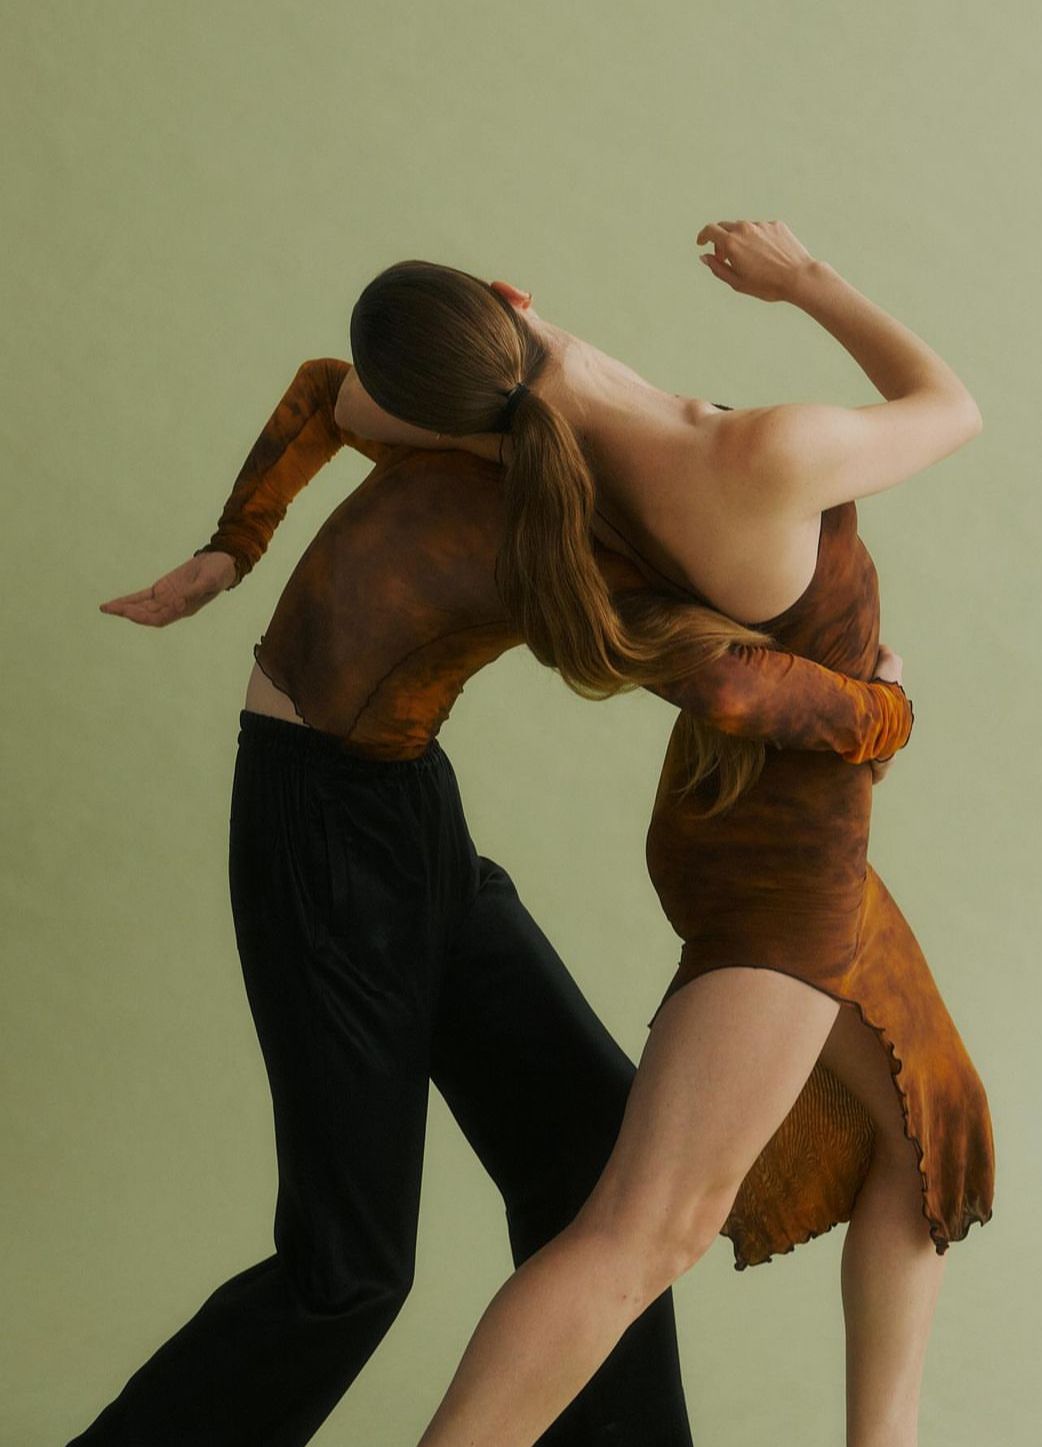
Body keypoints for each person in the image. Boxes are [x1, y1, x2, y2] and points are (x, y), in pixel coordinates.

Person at [71, 342, 912, 1446]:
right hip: (319, 835)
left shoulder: (538, 464)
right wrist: (885, 713)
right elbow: (724, 683)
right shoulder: (542, 520)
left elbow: (326, 388)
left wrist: (234, 549)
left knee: (588, 1151)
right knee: (347, 1269)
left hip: (407, 809)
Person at [337, 218, 995, 1447]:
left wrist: (231, 543)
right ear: (512, 293)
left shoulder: (544, 469)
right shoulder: (762, 450)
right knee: (646, 1230)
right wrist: (809, 284)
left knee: (932, 1118)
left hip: (735, 822)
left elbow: (356, 409)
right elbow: (949, 404)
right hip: (788, 867)